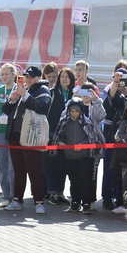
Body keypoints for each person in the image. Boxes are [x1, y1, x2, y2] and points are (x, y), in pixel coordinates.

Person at [3, 65, 51, 214]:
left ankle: (39, 202)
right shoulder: (22, 88)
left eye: (30, 77)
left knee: (35, 170)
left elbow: (41, 107)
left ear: (38, 78)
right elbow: (5, 110)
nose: (27, 79)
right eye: (26, 76)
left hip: (32, 137)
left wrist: (25, 95)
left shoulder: (43, 90)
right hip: (15, 136)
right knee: (19, 170)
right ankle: (17, 200)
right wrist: (12, 99)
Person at [54, 97, 103, 213]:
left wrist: (82, 145)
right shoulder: (64, 122)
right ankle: (75, 202)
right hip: (70, 156)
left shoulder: (87, 122)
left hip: (85, 157)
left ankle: (86, 203)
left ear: (81, 111)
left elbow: (93, 139)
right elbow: (58, 136)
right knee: (73, 180)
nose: (74, 113)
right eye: (72, 111)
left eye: (76, 111)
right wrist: (61, 143)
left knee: (85, 180)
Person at [45, 67, 75, 204]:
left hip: (68, 136)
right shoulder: (51, 93)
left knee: (64, 165)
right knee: (52, 165)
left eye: (67, 77)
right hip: (53, 135)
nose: (64, 79)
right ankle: (52, 193)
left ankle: (60, 192)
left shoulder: (75, 95)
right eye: (62, 77)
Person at [0, 62, 17, 203]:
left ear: (14, 74)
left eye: (7, 74)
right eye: (2, 74)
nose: (4, 76)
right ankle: (6, 195)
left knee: (13, 165)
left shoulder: (19, 89)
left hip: (13, 132)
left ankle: (14, 195)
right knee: (1, 164)